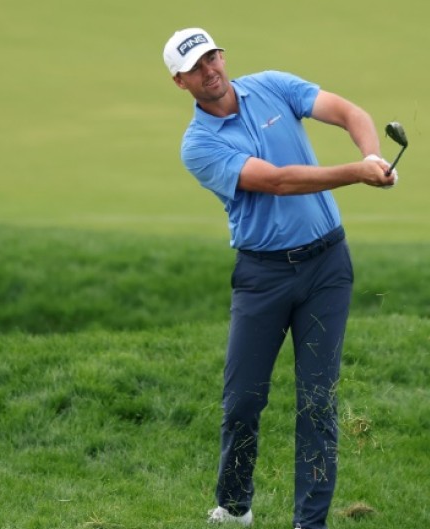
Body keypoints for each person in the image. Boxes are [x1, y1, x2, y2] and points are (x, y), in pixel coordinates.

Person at [162, 28, 398, 529]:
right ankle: (234, 506)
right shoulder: (198, 145)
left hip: (326, 268)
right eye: (196, 68)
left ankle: (309, 523)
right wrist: (356, 172)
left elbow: (349, 113)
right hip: (262, 275)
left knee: (317, 402)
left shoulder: (271, 85)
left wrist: (372, 155)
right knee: (243, 401)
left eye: (213, 57)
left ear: (222, 56)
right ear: (179, 82)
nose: (210, 71)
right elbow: (276, 181)